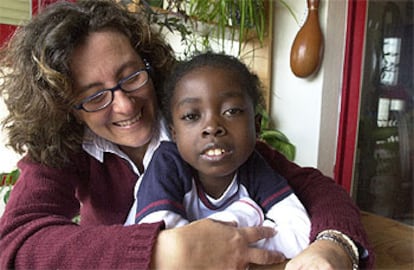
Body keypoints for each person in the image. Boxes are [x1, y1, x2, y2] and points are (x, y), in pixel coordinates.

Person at [0, 0, 373, 269]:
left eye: (131, 76)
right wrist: (162, 252)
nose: (126, 106)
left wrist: (334, 246)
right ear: (65, 104)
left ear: (151, 61)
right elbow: (15, 244)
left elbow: (314, 187)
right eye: (95, 96)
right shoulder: (65, 149)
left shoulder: (196, 128)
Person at [126, 52, 311, 259]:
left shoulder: (254, 167)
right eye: (191, 116)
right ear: (174, 133)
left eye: (231, 111)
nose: (212, 127)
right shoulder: (166, 164)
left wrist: (234, 247)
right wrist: (247, 216)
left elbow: (300, 234)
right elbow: (163, 248)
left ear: (256, 126)